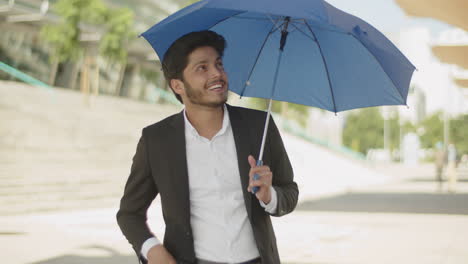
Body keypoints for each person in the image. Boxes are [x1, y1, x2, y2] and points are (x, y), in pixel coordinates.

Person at [116, 30, 298, 264]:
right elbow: (129, 214)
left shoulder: (259, 127)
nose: (217, 74)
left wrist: (269, 195)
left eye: (219, 64)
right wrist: (153, 251)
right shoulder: (156, 140)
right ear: (178, 85)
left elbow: (289, 192)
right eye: (202, 67)